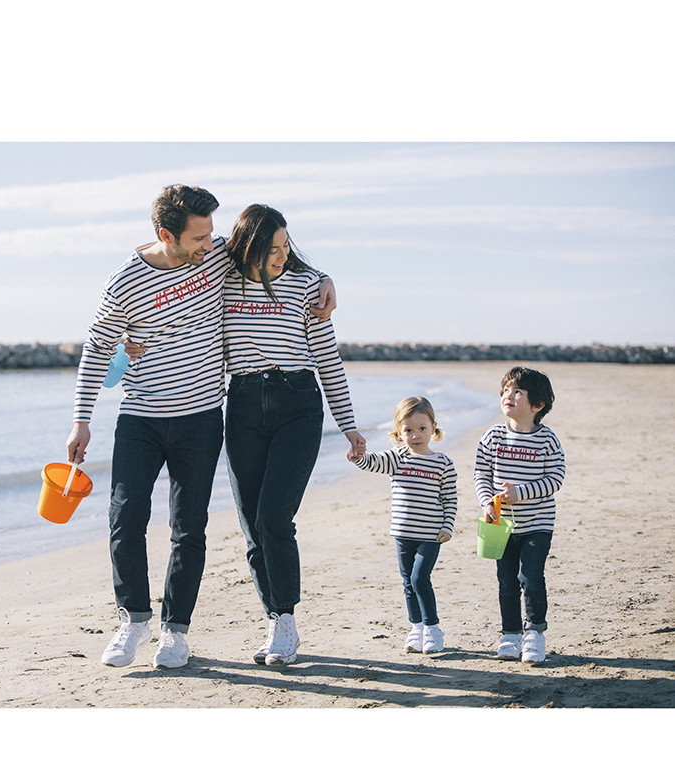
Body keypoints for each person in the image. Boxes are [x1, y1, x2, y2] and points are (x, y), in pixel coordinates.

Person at [65, 186, 336, 670]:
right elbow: (98, 350)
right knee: (125, 517)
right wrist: (81, 421)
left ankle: (175, 632)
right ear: (166, 234)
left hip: (202, 417)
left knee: (188, 528)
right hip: (141, 417)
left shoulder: (216, 257)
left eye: (212, 234)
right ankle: (134, 620)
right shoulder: (124, 282)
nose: (210, 245)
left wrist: (325, 279)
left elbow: (275, 255)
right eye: (199, 237)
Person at [222, 204, 365, 666]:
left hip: (297, 404)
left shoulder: (306, 287)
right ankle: (273, 618)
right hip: (243, 404)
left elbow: (327, 358)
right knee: (252, 525)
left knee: (274, 517)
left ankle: (286, 620)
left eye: (287, 246)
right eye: (273, 250)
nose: (283, 256)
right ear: (249, 249)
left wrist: (348, 425)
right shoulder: (222, 282)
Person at [347, 396, 457, 654]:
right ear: (399, 431)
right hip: (403, 533)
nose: (415, 435)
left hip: (431, 534)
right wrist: (357, 456)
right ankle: (416, 628)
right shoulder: (397, 458)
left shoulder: (443, 463)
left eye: (422, 428)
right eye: (408, 430)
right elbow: (371, 462)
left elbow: (450, 498)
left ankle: (432, 628)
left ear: (433, 428)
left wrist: (448, 526)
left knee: (420, 579)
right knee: (408, 582)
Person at [474, 366, 566, 664]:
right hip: (501, 526)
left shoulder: (547, 440)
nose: (508, 396)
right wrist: (487, 502)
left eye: (517, 392)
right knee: (506, 581)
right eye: (505, 391)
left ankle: (535, 634)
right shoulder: (493, 436)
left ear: (537, 405)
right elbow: (481, 474)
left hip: (538, 524)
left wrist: (521, 493)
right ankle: (511, 635)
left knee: (532, 577)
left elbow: (556, 478)